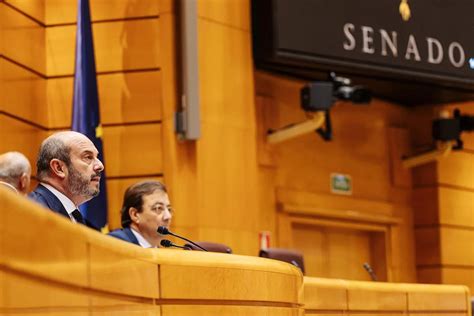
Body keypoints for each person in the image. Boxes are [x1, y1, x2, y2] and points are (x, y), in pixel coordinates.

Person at [29, 131, 104, 228]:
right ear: (59, 168)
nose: (100, 166)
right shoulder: (34, 212)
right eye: (88, 157)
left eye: (96, 157)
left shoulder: (77, 218)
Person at [108, 180, 172, 248]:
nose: (168, 216)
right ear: (135, 214)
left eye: (169, 209)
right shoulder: (115, 243)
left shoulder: (159, 251)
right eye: (158, 208)